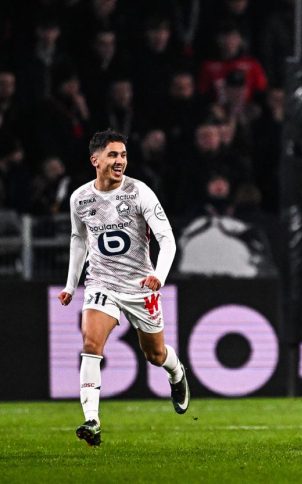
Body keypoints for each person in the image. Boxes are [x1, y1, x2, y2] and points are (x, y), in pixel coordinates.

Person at [57, 130, 189, 447]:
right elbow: (79, 240)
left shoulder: (139, 193)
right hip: (101, 282)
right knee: (91, 342)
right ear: (96, 160)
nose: (120, 161)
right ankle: (92, 420)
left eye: (123, 155)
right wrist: (71, 285)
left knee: (154, 354)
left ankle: (176, 372)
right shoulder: (80, 198)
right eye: (113, 155)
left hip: (141, 286)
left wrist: (159, 275)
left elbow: (167, 239)